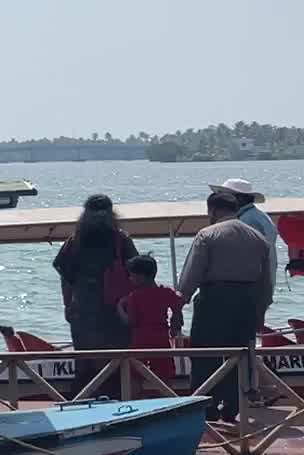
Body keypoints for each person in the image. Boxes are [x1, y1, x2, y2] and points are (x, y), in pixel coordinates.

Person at [178, 191, 276, 422]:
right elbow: (266, 282)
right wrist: (260, 311)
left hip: (214, 298)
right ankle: (233, 406)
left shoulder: (208, 234)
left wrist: (179, 304)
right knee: (241, 355)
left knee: (205, 354)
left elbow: (192, 275)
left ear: (212, 210)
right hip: (247, 300)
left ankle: (206, 406)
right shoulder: (258, 238)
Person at [50, 194, 140, 397]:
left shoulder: (75, 242)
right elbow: (137, 273)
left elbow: (65, 277)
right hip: (116, 311)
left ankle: (81, 404)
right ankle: (118, 405)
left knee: (86, 361)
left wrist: (67, 305)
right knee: (115, 362)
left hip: (85, 309)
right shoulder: (122, 240)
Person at [115, 254, 185, 395]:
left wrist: (120, 308)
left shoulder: (134, 297)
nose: (130, 279)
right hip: (161, 339)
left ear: (141, 276)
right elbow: (177, 307)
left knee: (134, 374)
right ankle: (166, 401)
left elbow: (131, 321)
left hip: (140, 339)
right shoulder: (165, 292)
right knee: (164, 375)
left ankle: (135, 402)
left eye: (132, 276)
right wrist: (174, 325)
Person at [212, 178, 279, 278]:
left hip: (251, 282)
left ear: (240, 198)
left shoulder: (247, 221)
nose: (221, 201)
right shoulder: (258, 216)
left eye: (225, 196)